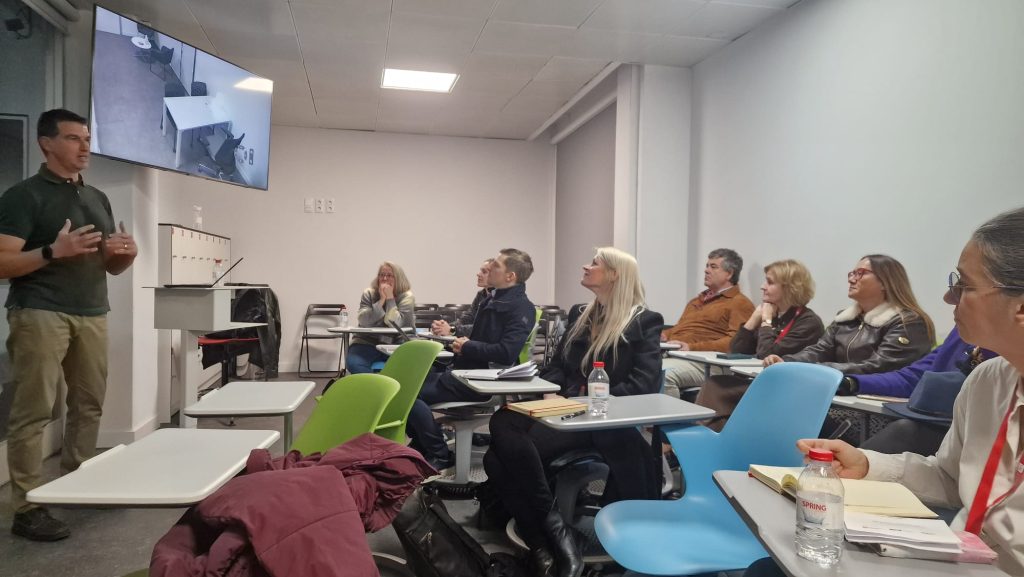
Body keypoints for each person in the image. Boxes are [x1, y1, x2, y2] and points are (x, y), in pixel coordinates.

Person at [794, 207, 1024, 575]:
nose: (949, 299)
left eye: (963, 285)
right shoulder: (988, 382)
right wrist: (868, 464)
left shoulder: (906, 323)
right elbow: (950, 479)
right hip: (962, 561)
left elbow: (896, 373)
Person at [0, 109, 138, 541]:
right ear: (47, 143)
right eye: (74, 138)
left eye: (87, 139)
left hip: (92, 312)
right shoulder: (23, 196)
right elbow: (3, 262)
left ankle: (79, 481)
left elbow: (110, 267)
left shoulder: (97, 196)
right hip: (40, 311)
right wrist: (51, 252)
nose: (84, 147)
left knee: (88, 404)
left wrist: (125, 253)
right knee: (34, 410)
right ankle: (25, 507)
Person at [483, 247, 663, 577]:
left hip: (603, 420)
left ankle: (543, 545)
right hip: (564, 410)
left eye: (595, 263)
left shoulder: (644, 321)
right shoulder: (582, 313)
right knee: (503, 420)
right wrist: (551, 389)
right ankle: (555, 533)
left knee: (495, 457)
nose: (585, 265)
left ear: (614, 275)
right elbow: (556, 367)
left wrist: (587, 403)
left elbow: (644, 383)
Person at [406, 249, 536, 469]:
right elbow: (480, 337)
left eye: (496, 265)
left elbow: (506, 353)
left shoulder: (521, 308)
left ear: (510, 276)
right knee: (406, 384)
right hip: (464, 373)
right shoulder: (493, 299)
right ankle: (426, 441)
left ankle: (438, 451)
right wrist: (463, 344)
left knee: (406, 394)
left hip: (481, 381)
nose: (489, 269)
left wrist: (467, 346)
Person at [694, 260, 825, 431]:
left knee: (716, 387)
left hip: (788, 388)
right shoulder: (775, 315)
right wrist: (753, 320)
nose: (762, 286)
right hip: (760, 381)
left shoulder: (808, 322)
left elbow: (767, 354)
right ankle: (708, 443)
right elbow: (736, 350)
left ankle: (695, 442)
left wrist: (766, 321)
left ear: (790, 287)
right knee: (716, 386)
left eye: (770, 282)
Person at [763, 254, 935, 375]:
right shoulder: (844, 318)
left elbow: (880, 366)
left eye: (860, 273)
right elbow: (819, 350)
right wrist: (786, 362)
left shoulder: (908, 322)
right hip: (840, 393)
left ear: (885, 282)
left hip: (875, 406)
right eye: (852, 273)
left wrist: (817, 369)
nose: (851, 279)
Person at [660, 248, 755, 398]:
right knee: (636, 367)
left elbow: (735, 343)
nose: (706, 270)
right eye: (706, 266)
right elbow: (681, 328)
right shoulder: (696, 301)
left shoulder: (740, 303)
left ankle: (673, 421)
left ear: (729, 273)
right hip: (677, 356)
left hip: (710, 365)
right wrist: (664, 335)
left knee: (662, 374)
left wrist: (692, 347)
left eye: (713, 267)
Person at [346, 261, 415, 374]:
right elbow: (364, 321)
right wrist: (381, 300)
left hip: (397, 343)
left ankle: (390, 387)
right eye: (381, 275)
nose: (384, 278)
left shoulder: (406, 297)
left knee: (407, 367)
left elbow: (397, 323)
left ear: (398, 278)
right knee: (354, 363)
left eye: (389, 275)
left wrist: (390, 299)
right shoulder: (369, 293)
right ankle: (374, 387)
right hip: (366, 342)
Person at [431, 258, 493, 337]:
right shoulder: (481, 294)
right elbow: (467, 318)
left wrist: (451, 330)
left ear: (496, 275)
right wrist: (442, 328)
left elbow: (484, 328)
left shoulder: (500, 298)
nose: (478, 274)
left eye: (484, 272)